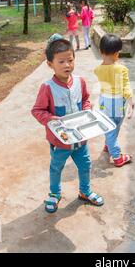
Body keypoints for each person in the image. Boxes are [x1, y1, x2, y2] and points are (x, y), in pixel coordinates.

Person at [31, 34, 104, 213]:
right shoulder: (47, 88)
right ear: (50, 64)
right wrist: (49, 119)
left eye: (70, 60)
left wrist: (87, 108)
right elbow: (37, 111)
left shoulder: (80, 82)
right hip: (60, 141)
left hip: (81, 139)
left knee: (85, 165)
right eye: (61, 61)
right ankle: (55, 194)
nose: (67, 65)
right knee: (56, 168)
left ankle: (85, 192)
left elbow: (86, 99)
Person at [94, 34, 135, 167]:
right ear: (117, 53)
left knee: (108, 126)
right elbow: (126, 88)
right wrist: (131, 102)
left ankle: (108, 145)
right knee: (114, 127)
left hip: (103, 103)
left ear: (101, 52)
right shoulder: (121, 69)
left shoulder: (97, 70)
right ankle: (117, 157)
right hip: (117, 105)